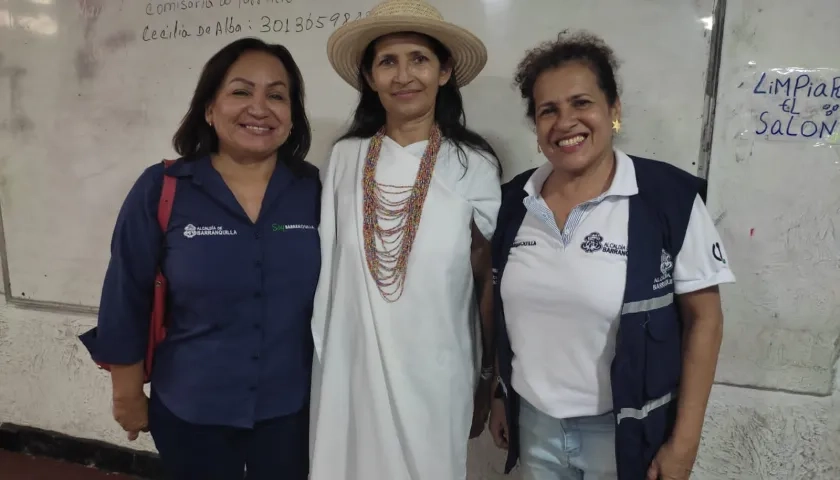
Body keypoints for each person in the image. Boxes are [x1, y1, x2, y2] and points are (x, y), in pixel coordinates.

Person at [488, 31, 735, 480]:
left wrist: (684, 444)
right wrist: (501, 396)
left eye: (581, 103)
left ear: (613, 109)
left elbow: (706, 321)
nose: (565, 122)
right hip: (535, 426)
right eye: (549, 110)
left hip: (624, 434)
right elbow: (508, 316)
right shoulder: (514, 202)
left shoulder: (667, 199)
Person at [78, 38, 319, 480]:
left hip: (291, 412)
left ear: (292, 115)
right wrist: (126, 395)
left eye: (277, 95)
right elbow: (124, 293)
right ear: (209, 108)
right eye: (241, 91)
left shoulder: (315, 192)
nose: (260, 108)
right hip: (191, 409)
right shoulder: (163, 187)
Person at [308, 0, 502, 478]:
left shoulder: (473, 164)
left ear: (444, 71)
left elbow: (487, 281)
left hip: (439, 372)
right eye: (387, 62)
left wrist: (487, 379)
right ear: (371, 78)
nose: (403, 75)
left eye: (419, 59)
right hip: (351, 369)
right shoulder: (346, 160)